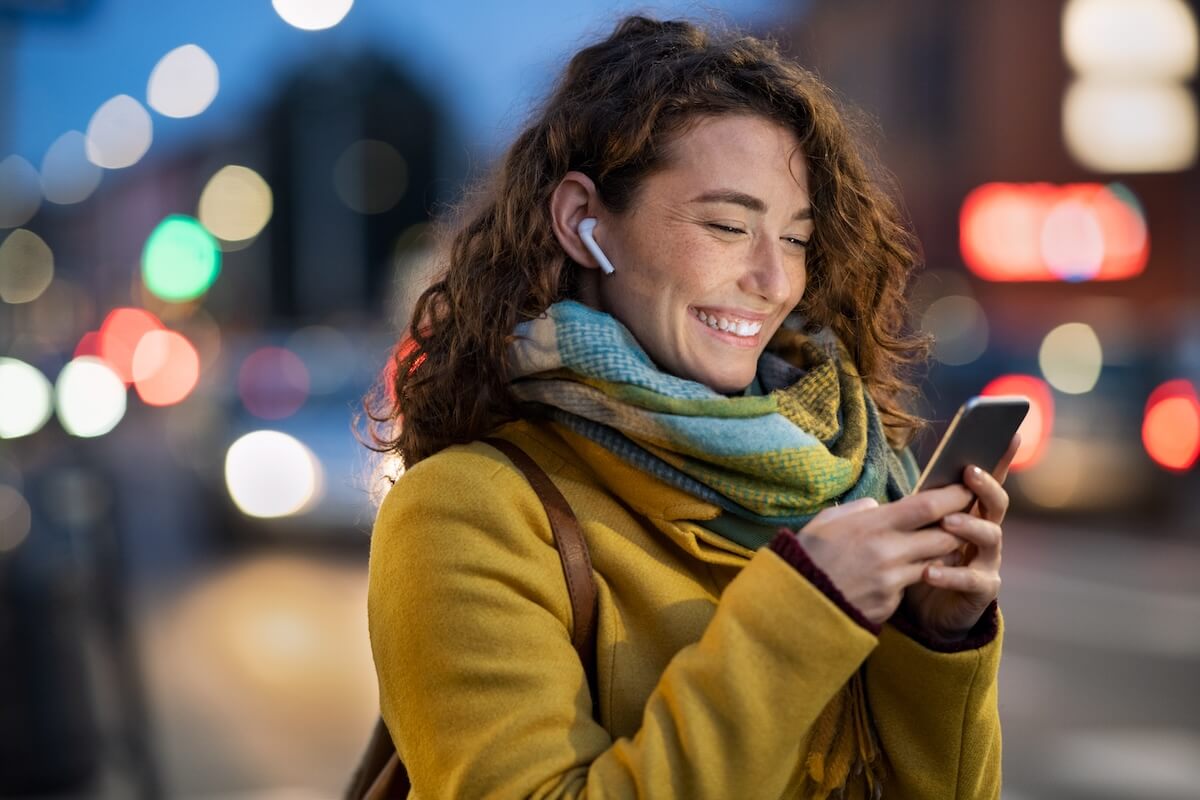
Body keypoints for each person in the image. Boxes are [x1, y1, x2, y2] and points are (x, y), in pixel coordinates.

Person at [363, 14, 1016, 799]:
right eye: (727, 225)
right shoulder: (468, 512)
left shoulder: (859, 477)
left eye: (798, 239)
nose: (774, 281)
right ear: (583, 222)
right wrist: (804, 611)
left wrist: (934, 637)